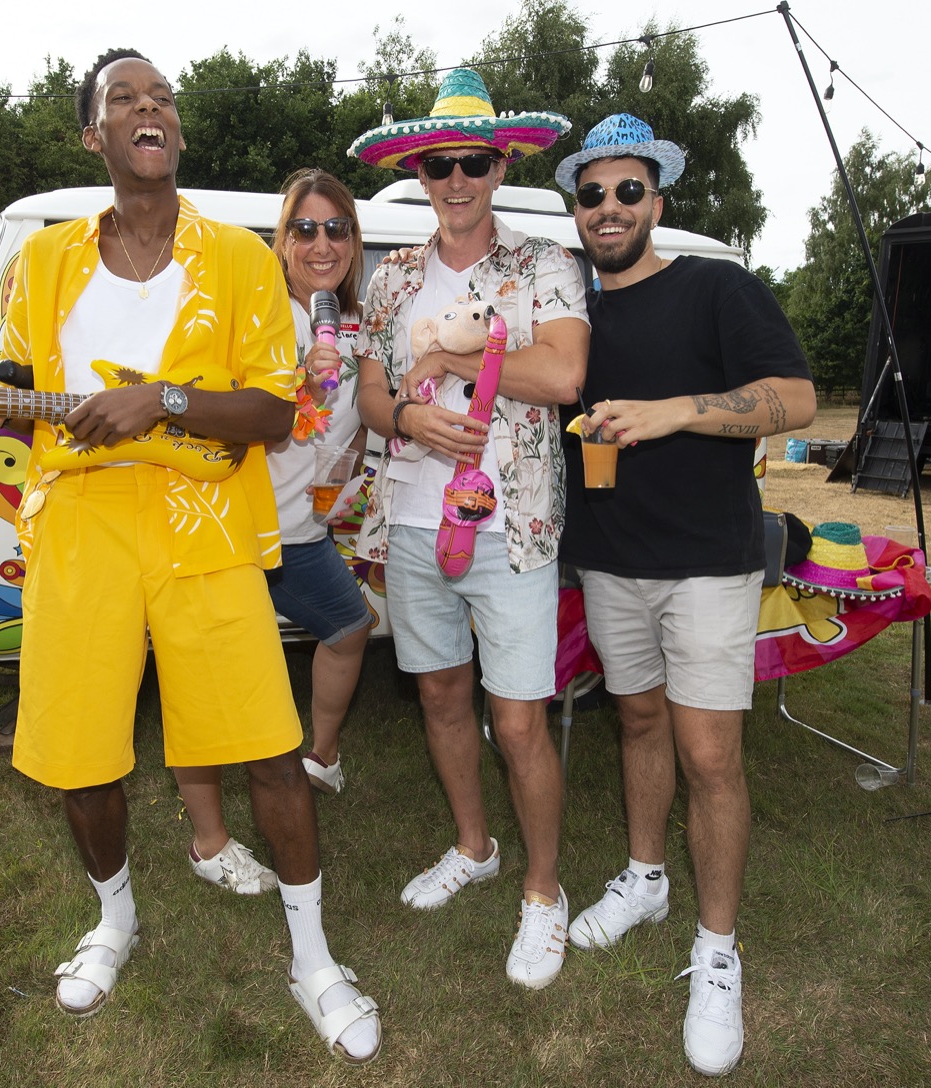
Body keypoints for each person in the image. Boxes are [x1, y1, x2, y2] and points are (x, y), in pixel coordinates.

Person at [0, 49, 380, 1063]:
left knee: (268, 741)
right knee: (83, 747)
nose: (148, 106)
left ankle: (313, 957)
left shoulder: (243, 259)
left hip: (203, 521)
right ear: (95, 135)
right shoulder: (43, 264)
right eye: (123, 98)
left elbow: (265, 410)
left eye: (160, 95)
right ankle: (114, 917)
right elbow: (27, 394)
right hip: (81, 522)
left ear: (175, 130)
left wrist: (159, 398)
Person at [554, 114, 816, 1077]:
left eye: (629, 191)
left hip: (709, 559)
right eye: (592, 194)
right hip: (614, 558)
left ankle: (717, 951)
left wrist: (678, 414)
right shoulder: (573, 309)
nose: (610, 209)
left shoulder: (715, 285)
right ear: (575, 209)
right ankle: (645, 878)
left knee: (710, 754)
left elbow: (796, 400)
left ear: (656, 201)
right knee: (636, 721)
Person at [347, 69, 588, 989]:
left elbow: (566, 374)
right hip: (411, 523)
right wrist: (407, 418)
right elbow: (370, 389)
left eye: (473, 162)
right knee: (442, 700)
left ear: (500, 166)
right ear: (418, 170)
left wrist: (451, 354)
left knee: (517, 719)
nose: (456, 179)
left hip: (512, 529)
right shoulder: (395, 274)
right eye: (440, 163)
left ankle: (543, 892)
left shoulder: (542, 264)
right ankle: (475, 847)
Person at [171, 168, 373, 895]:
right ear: (281, 241)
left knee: (349, 628)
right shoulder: (256, 315)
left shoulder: (349, 326)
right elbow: (227, 407)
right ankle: (209, 840)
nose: (322, 244)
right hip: (234, 528)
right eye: (305, 229)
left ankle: (320, 752)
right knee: (206, 683)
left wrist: (346, 466)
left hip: (302, 530)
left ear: (354, 240)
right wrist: (296, 378)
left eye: (337, 228)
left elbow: (349, 424)